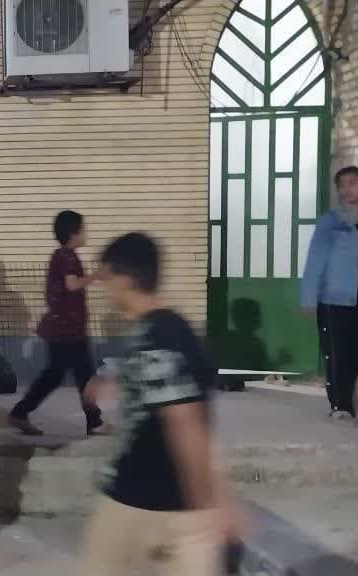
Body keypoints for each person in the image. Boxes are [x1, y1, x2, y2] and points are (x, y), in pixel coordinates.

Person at [81, 232, 242, 576]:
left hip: (142, 501)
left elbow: (185, 420)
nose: (104, 289)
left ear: (125, 280)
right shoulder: (168, 330)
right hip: (173, 506)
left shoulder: (158, 336)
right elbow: (176, 397)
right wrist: (117, 385)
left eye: (107, 278)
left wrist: (211, 504)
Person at [9, 211, 108, 436]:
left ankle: (20, 413)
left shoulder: (62, 255)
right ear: (73, 233)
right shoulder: (67, 257)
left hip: (64, 327)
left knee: (58, 374)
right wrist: (96, 275)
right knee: (81, 374)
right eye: (84, 229)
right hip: (67, 329)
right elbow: (72, 285)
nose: (86, 233)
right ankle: (93, 422)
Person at [301, 165, 358, 423]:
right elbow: (315, 260)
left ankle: (346, 388)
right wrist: (309, 297)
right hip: (333, 299)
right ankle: (341, 405)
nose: (347, 189)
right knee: (337, 352)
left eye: (353, 183)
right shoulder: (330, 222)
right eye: (342, 185)